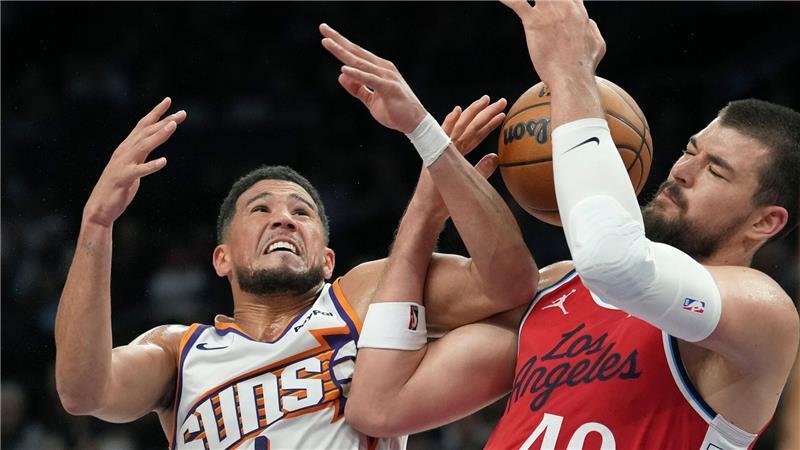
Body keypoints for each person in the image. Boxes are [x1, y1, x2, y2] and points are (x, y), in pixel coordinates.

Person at [326, 2, 800, 449]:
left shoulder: (761, 314)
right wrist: (428, 154)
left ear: (765, 221)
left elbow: (618, 264)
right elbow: (381, 406)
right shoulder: (559, 288)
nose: (681, 171)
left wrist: (569, 72)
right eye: (690, 152)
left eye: (715, 171)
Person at [53, 86, 538, 448]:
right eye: (261, 210)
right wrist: (97, 222)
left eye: (302, 213)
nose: (284, 218)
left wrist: (443, 163)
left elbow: (509, 285)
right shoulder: (178, 353)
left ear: (327, 260)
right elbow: (82, 391)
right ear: (221, 258)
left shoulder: (368, 294)